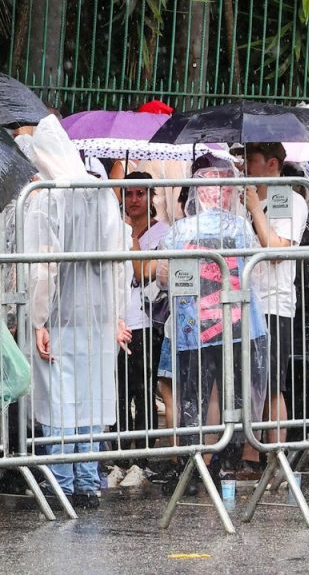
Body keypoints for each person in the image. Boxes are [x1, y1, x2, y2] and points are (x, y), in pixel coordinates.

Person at [23, 115, 133, 510]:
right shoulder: (99, 191)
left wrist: (38, 320)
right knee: (89, 399)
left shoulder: (46, 196)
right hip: (97, 313)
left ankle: (61, 482)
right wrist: (117, 313)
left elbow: (44, 267)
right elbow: (118, 259)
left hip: (60, 314)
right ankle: (87, 481)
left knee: (59, 399)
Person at [156, 154, 269, 483]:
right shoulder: (240, 227)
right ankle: (212, 460)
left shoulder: (182, 231)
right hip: (235, 323)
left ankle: (193, 464)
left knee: (193, 395)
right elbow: (254, 273)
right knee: (220, 393)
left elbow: (165, 277)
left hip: (194, 327)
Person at [240, 143, 309, 448]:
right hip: (244, 300)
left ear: (271, 163)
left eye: (250, 160)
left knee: (271, 383)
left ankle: (275, 453)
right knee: (247, 382)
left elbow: (277, 249)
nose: (244, 166)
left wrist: (255, 208)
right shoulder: (242, 199)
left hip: (273, 303)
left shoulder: (288, 199)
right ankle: (249, 454)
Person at [116, 172, 168, 487]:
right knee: (120, 394)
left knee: (143, 392)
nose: (134, 200)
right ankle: (120, 458)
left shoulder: (162, 232)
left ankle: (143, 460)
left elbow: (143, 271)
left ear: (151, 198)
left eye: (140, 194)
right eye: (129, 194)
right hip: (120, 322)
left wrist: (132, 236)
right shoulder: (115, 230)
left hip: (147, 323)